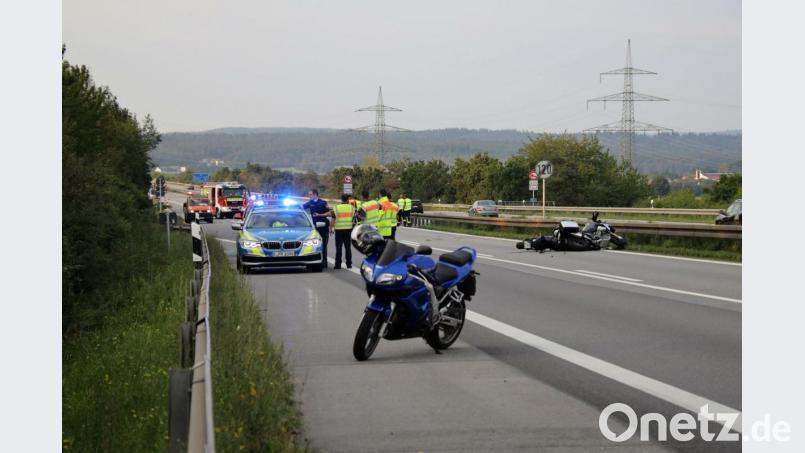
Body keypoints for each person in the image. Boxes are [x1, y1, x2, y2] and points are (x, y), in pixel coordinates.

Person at [302, 189, 331, 269]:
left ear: (315, 194)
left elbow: (329, 213)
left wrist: (320, 215)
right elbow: (301, 207)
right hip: (315, 227)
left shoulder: (323, 203)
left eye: (310, 194)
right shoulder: (309, 203)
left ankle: (324, 262)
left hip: (323, 227)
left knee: (323, 245)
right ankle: (313, 260)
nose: (309, 196)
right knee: (314, 244)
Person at [331, 193, 355, 269]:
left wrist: (331, 228)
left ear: (341, 199)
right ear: (348, 200)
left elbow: (333, 220)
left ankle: (338, 265)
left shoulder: (336, 208)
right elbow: (354, 218)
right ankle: (349, 264)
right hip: (348, 230)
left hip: (338, 230)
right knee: (348, 247)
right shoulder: (352, 208)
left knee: (339, 248)